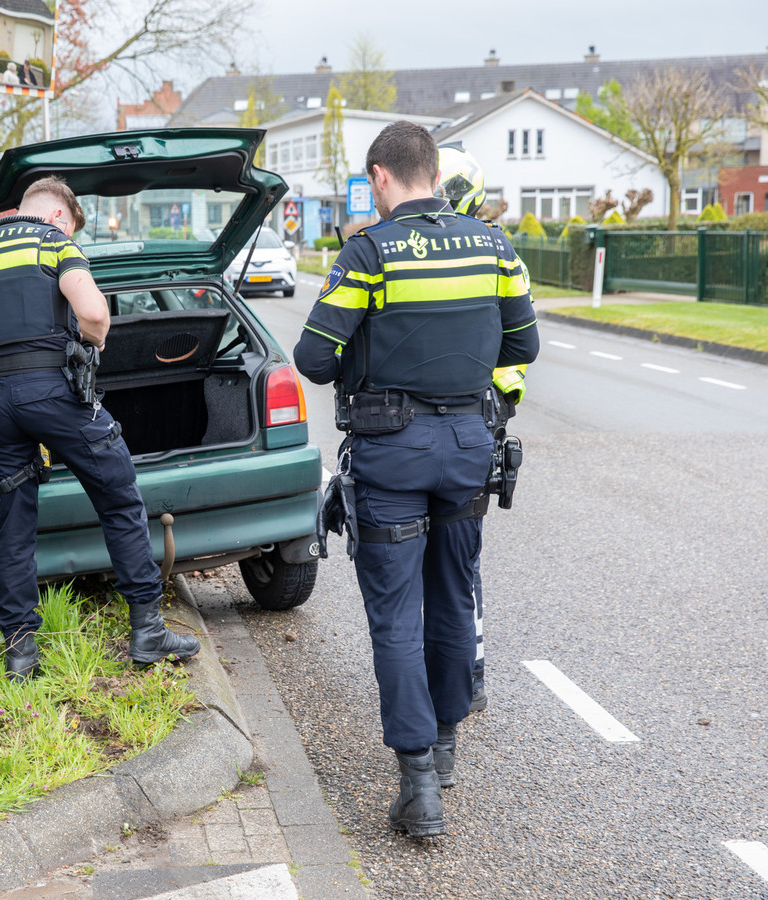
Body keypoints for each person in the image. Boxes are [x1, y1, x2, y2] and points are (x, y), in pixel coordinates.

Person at [294, 122, 538, 837]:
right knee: (455, 600)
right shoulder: (496, 247)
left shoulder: (368, 253)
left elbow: (314, 356)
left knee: (396, 618)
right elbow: (522, 343)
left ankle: (418, 788)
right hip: (468, 445)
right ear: (435, 171)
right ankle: (448, 746)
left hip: (390, 451)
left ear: (380, 177)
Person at [0, 176, 201, 682]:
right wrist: (93, 341)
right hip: (53, 395)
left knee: (14, 521)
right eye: (72, 226)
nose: (72, 234)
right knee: (118, 496)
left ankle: (21, 651)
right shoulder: (53, 242)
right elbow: (94, 312)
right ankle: (147, 631)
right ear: (56, 216)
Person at [436, 141, 529, 714]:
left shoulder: (485, 252)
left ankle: (467, 673)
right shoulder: (495, 252)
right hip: (475, 424)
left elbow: (515, 350)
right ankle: (466, 674)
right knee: (460, 560)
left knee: (455, 561)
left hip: (469, 418)